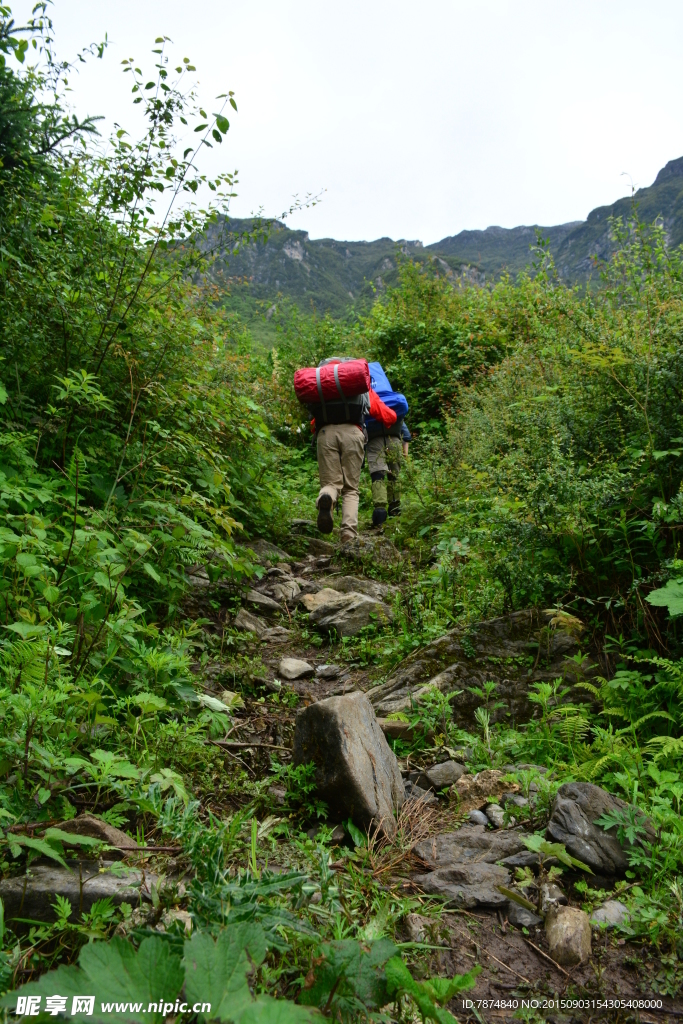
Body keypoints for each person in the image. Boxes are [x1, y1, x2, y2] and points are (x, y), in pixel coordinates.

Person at [310, 357, 396, 543]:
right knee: (350, 489)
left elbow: (313, 421)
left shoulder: (322, 386)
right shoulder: (357, 384)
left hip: (325, 434)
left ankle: (327, 497)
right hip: (352, 433)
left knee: (330, 484)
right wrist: (394, 418)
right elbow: (383, 413)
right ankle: (348, 534)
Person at [364, 364, 411, 526]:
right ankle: (395, 506)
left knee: (378, 473)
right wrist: (405, 452)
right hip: (395, 440)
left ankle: (379, 510)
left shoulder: (368, 398)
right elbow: (406, 433)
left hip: (374, 440)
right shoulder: (393, 403)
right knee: (394, 474)